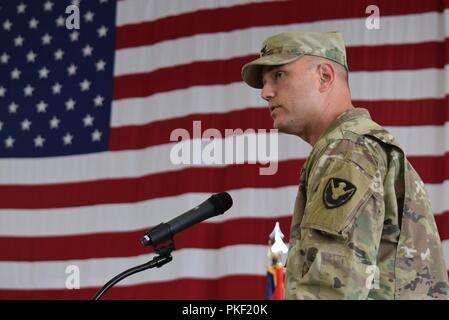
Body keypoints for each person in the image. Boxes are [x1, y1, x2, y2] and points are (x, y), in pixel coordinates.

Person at [241, 31, 449, 299]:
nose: (266, 93)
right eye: (264, 82)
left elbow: (330, 289)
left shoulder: (347, 150)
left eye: (279, 75)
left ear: (325, 76)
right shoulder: (349, 146)